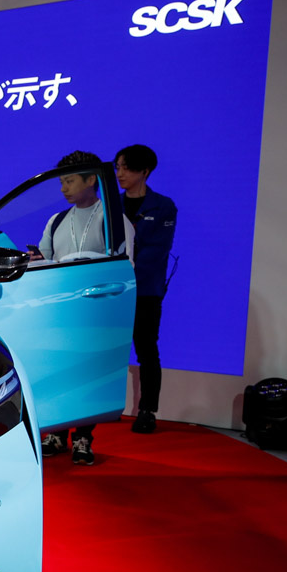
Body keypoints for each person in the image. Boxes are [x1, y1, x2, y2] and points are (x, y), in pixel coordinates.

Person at [38, 150, 127, 466]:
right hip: (61, 311)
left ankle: (84, 438)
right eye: (61, 182)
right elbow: (44, 260)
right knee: (60, 371)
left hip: (97, 311)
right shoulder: (56, 221)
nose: (63, 188)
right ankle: (57, 433)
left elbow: (125, 264)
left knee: (90, 375)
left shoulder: (113, 218)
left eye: (70, 181)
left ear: (92, 180)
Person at [115, 144, 177, 434]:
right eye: (118, 167)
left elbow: (157, 251)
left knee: (147, 350)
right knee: (107, 351)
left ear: (145, 171)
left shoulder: (163, 206)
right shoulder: (110, 206)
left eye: (126, 168)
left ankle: (147, 410)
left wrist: (127, 270)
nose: (120, 173)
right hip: (113, 291)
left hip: (145, 291)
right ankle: (104, 407)